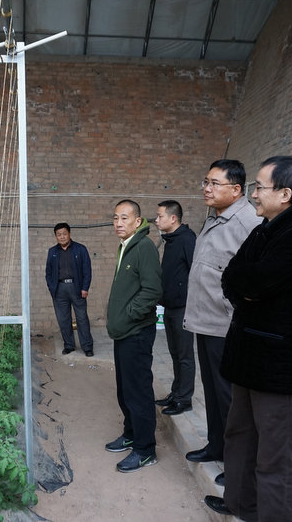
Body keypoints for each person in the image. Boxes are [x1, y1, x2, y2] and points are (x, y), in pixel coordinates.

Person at [203, 156, 292, 521]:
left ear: (285, 193)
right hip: (247, 357)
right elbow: (232, 278)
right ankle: (242, 504)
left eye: (259, 187)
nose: (254, 194)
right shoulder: (264, 229)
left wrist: (248, 288)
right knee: (240, 437)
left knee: (278, 452)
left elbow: (254, 282)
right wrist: (247, 289)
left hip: (277, 365)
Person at [183, 160, 262, 490]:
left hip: (227, 326)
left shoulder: (249, 223)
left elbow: (256, 280)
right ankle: (216, 445)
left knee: (231, 399)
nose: (207, 188)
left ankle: (239, 464)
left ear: (236, 189)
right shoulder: (215, 217)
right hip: (206, 321)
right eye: (206, 182)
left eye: (215, 183)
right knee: (214, 393)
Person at [103, 199, 162, 473]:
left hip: (136, 332)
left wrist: (128, 315)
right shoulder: (126, 245)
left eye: (124, 218)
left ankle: (145, 449)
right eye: (116, 218)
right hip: (124, 333)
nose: (118, 223)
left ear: (138, 221)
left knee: (138, 391)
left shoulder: (144, 247)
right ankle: (130, 434)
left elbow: (152, 291)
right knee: (125, 389)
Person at [153, 200, 196, 416]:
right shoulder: (170, 239)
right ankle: (176, 392)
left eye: (160, 216)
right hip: (170, 306)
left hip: (183, 307)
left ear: (173, 218)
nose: (156, 220)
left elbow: (195, 271)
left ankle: (184, 399)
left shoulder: (187, 239)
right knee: (175, 352)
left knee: (184, 355)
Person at [45, 222, 94, 356]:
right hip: (59, 289)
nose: (62, 237)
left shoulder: (80, 249)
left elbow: (87, 270)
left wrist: (85, 288)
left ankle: (87, 347)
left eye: (64, 234)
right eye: (59, 235)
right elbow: (48, 273)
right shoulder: (52, 252)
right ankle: (69, 345)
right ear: (56, 236)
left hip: (77, 288)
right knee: (63, 319)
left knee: (82, 318)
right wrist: (52, 288)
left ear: (69, 234)